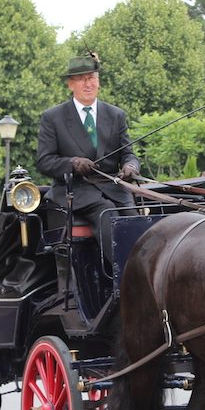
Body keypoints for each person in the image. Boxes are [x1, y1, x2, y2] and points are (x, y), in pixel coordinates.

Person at [35, 53, 140, 261]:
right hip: (76, 190)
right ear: (70, 84)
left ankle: (144, 270)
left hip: (114, 187)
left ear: (98, 81)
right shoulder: (53, 117)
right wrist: (72, 163)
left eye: (92, 78)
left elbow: (128, 153)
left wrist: (130, 166)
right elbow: (44, 161)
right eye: (82, 79)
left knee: (135, 220)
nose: (88, 84)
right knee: (106, 211)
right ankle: (123, 279)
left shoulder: (116, 115)